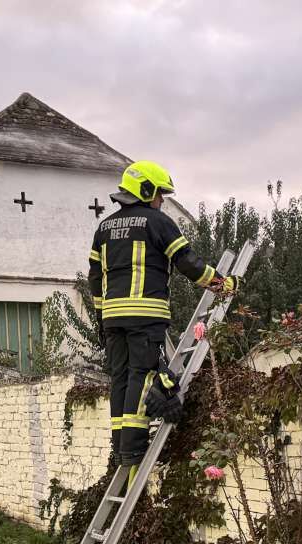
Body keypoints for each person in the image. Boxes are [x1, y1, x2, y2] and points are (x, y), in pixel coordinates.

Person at [86, 160, 238, 475]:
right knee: (141, 377)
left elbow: (94, 279)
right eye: (160, 194)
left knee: (120, 379)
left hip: (112, 319)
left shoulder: (103, 229)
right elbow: (187, 262)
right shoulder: (157, 222)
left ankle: (119, 448)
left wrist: (102, 319)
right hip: (145, 315)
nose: (161, 201)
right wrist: (220, 283)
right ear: (147, 190)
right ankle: (133, 452)